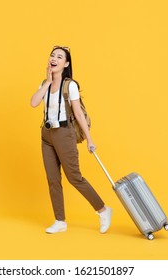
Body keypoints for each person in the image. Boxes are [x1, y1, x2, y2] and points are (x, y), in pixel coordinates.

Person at [30, 46, 112, 234]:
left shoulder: (70, 85)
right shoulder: (45, 83)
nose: (54, 59)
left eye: (59, 57)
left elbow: (78, 114)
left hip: (64, 133)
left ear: (65, 63)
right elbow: (34, 103)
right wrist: (47, 82)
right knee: (53, 180)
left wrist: (90, 140)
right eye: (52, 55)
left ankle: (103, 210)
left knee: (74, 177)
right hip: (47, 135)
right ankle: (60, 221)